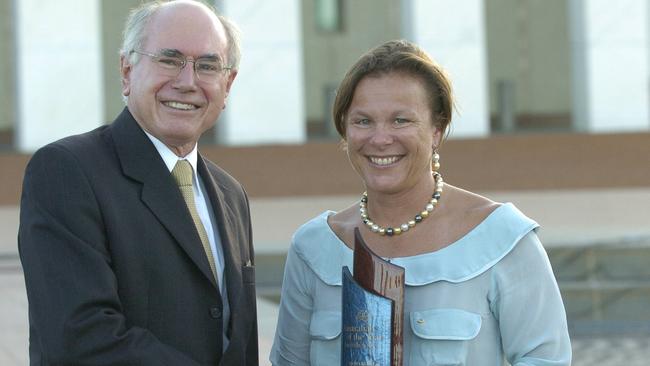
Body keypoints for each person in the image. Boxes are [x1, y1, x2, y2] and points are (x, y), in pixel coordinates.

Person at [270, 40, 571, 365]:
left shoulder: (502, 239)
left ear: (437, 130)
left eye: (401, 120)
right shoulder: (313, 248)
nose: (380, 138)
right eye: (363, 121)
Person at [18, 1, 258, 364]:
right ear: (127, 71)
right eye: (169, 60)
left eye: (208, 66)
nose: (187, 82)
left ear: (228, 84)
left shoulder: (230, 195)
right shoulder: (68, 171)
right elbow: (80, 337)